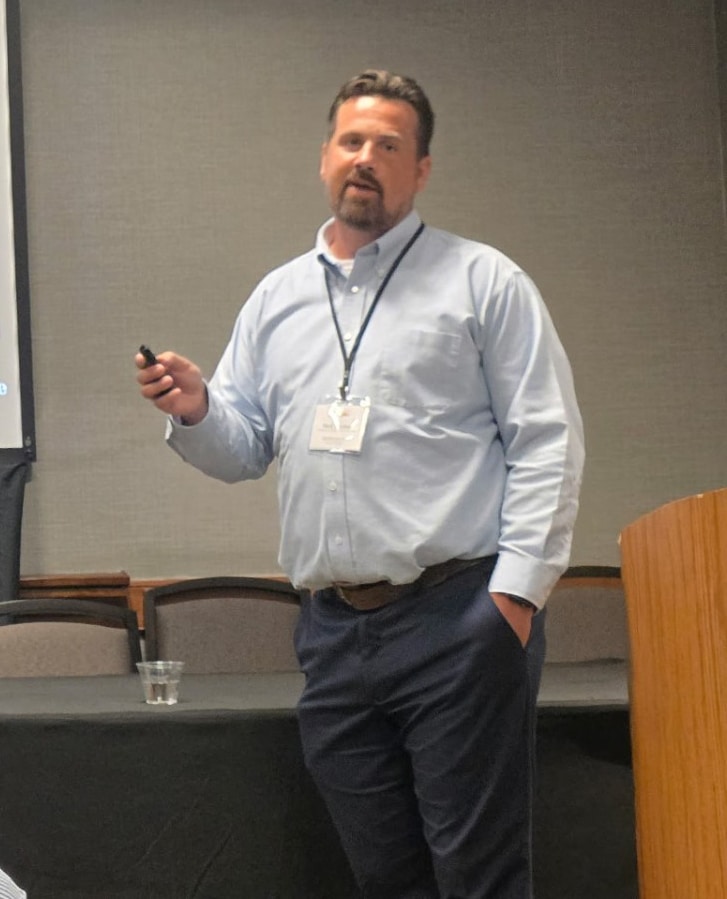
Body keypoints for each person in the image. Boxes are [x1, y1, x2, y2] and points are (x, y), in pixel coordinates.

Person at [136, 69, 584, 899]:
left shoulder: (482, 282)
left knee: (476, 876)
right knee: (383, 876)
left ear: (420, 170)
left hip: (459, 617)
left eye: (389, 145)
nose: (366, 158)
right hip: (334, 634)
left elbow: (546, 439)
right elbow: (247, 446)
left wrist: (513, 599)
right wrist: (198, 410)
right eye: (351, 141)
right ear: (324, 158)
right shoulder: (278, 297)